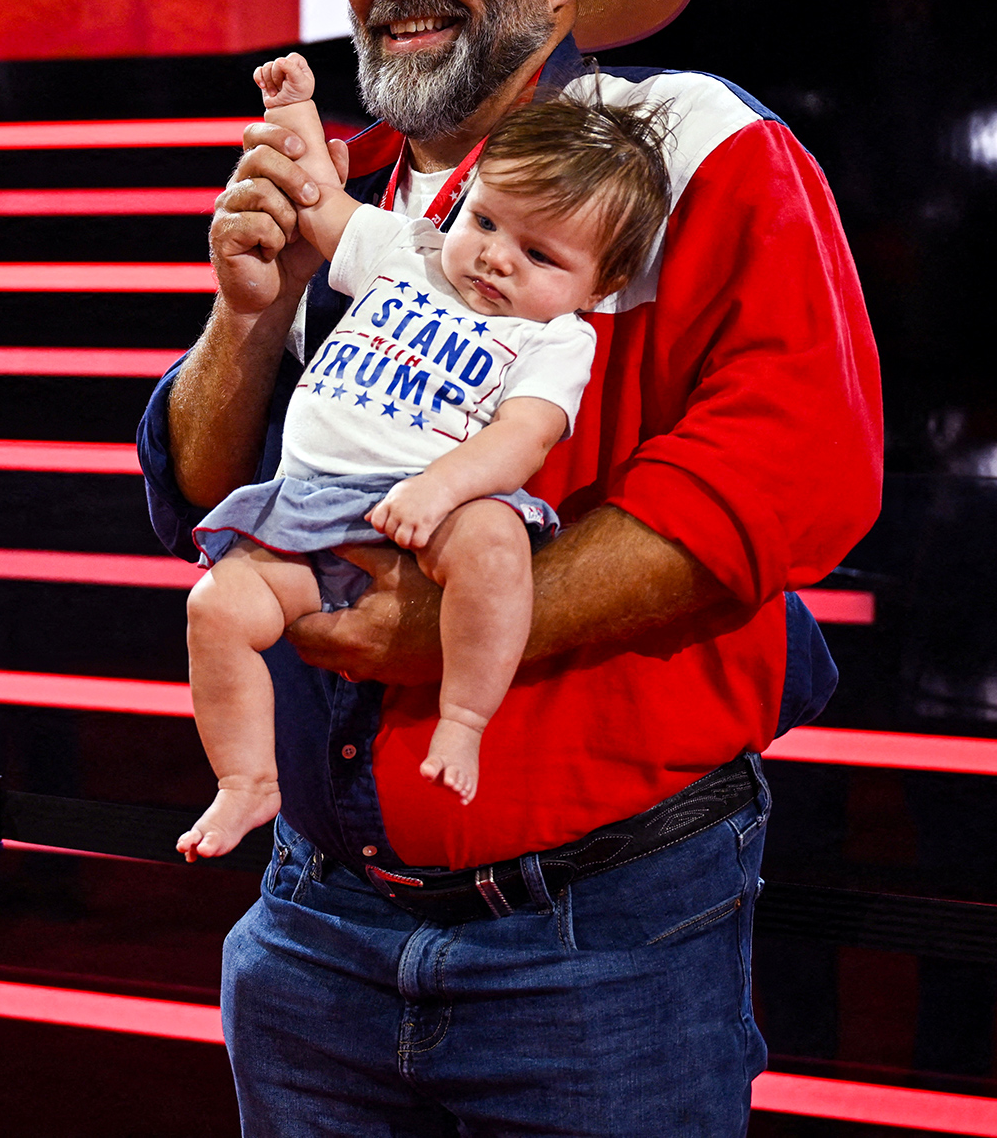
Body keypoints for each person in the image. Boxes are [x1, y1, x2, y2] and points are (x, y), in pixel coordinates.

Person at [138, 0, 883, 1135]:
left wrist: (468, 624)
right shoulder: (337, 190)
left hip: (597, 935)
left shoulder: (690, 146)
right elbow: (196, 501)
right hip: (310, 922)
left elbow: (798, 461)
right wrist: (247, 318)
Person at [176, 52, 671, 860]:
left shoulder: (553, 337)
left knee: (497, 544)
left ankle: (465, 718)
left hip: (438, 506)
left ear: (598, 285)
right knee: (215, 608)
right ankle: (246, 781)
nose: (496, 257)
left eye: (541, 256)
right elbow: (320, 202)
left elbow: (524, 437)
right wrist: (296, 108)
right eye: (484, 220)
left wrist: (443, 489)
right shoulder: (409, 250)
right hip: (310, 510)